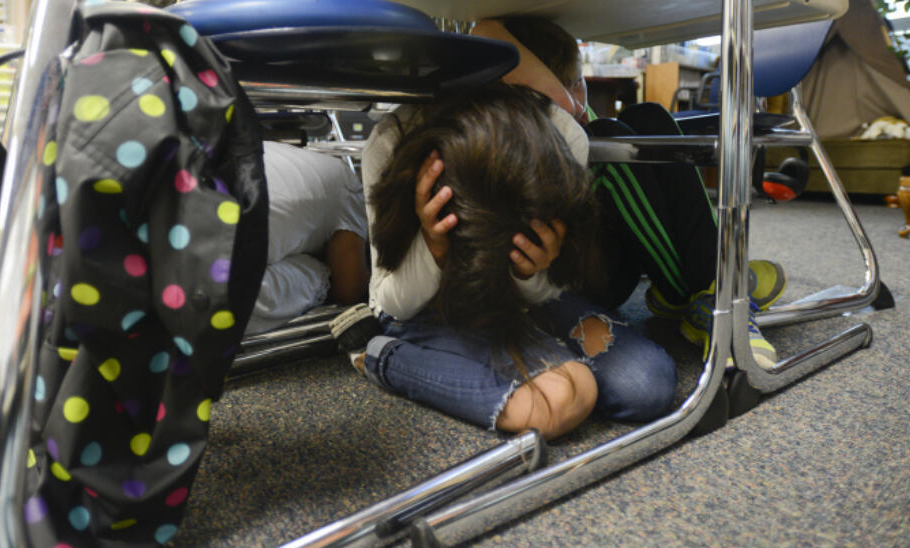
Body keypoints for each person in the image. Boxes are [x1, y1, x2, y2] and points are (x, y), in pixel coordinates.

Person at [352, 83, 676, 439]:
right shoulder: (391, 141)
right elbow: (393, 303)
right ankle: (385, 357)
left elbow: (555, 284)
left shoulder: (562, 134)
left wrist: (531, 272)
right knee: (561, 398)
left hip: (521, 295)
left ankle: (514, 358)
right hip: (422, 304)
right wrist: (433, 250)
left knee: (646, 384)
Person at [470, 16, 784, 369]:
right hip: (573, 277)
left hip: (611, 254)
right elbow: (483, 27)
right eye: (565, 88)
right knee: (607, 139)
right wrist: (564, 103)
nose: (577, 99)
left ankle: (700, 288)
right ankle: (711, 292)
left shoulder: (578, 115)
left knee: (647, 116)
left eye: (579, 83)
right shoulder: (516, 126)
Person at [248, 140, 370, 335]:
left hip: (195, 189)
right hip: (208, 275)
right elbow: (349, 290)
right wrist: (322, 272)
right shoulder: (348, 188)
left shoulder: (333, 171)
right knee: (317, 277)